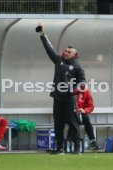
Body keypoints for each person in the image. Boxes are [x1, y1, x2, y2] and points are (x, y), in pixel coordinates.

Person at [36, 24, 86, 155]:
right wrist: (42, 34)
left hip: (70, 99)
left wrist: (73, 90)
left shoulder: (78, 67)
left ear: (75, 54)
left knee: (73, 124)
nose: (66, 52)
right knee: (58, 124)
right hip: (57, 98)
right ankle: (60, 148)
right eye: (65, 51)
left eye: (69, 52)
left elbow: (82, 83)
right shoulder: (59, 60)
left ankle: (76, 149)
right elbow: (49, 49)